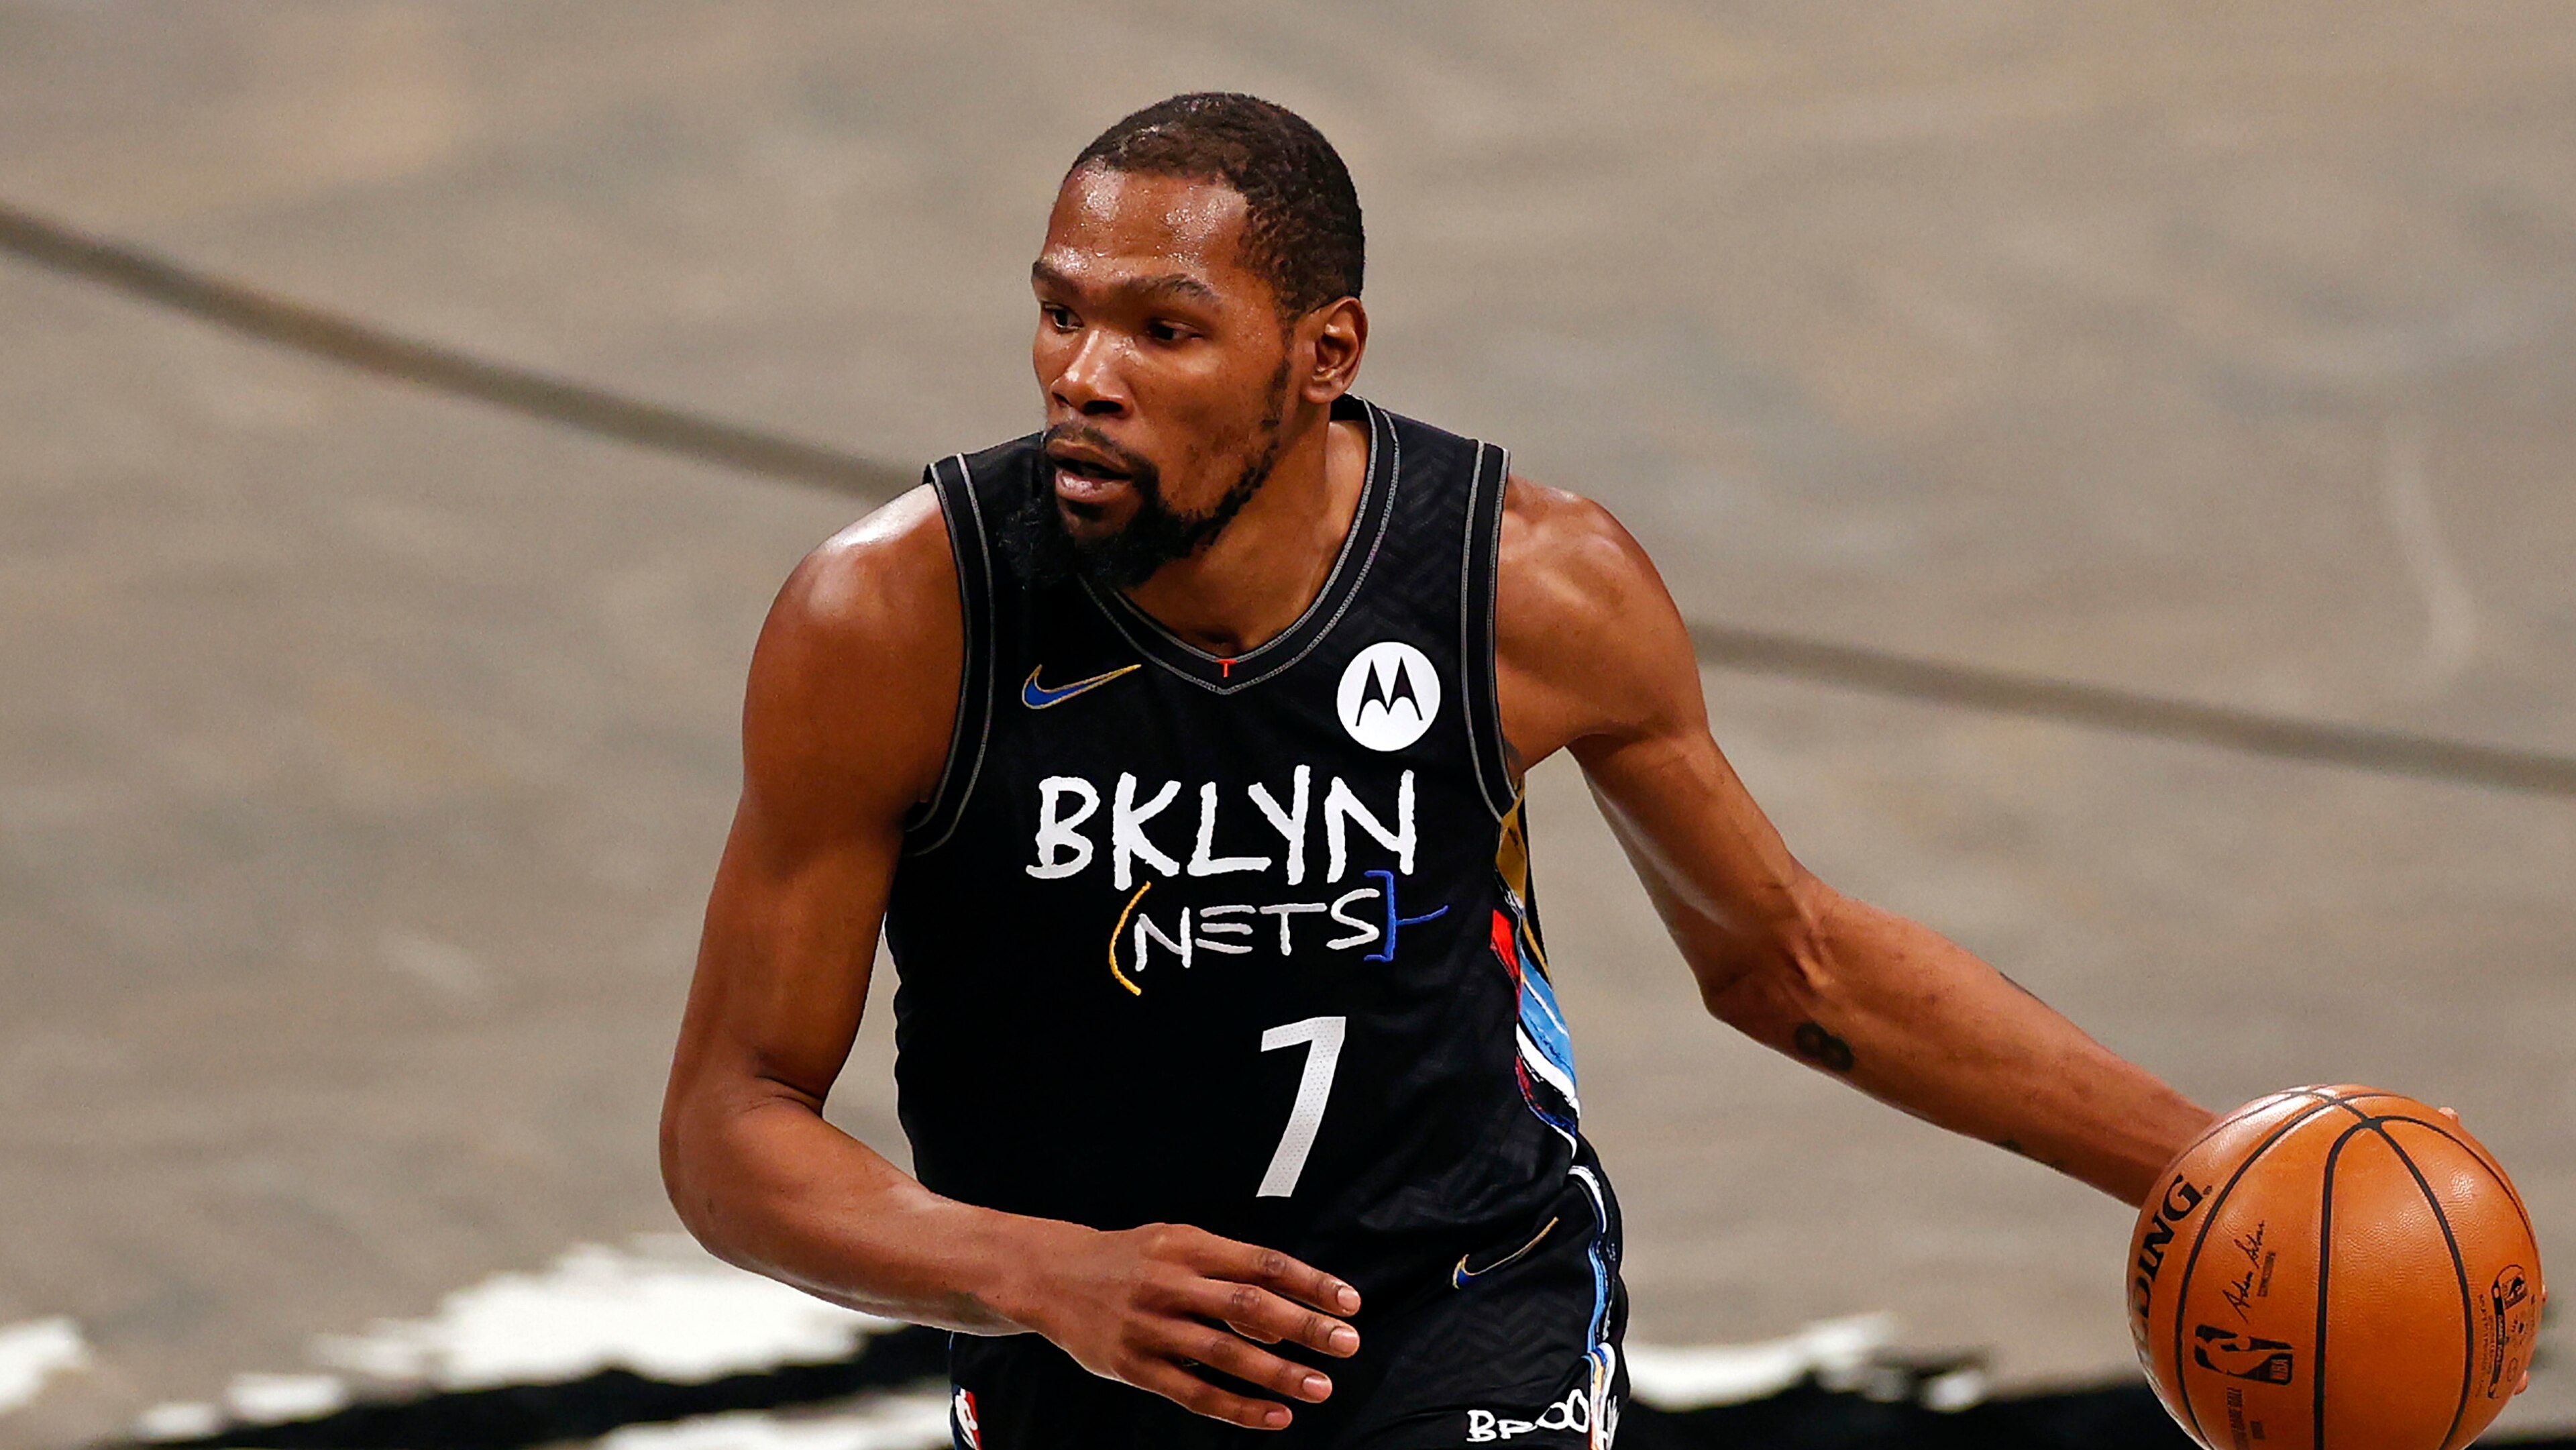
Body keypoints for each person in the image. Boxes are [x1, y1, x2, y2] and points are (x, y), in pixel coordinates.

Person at [659, 92, 2215, 1449]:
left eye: (1164, 327)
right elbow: (731, 1121)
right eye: (1062, 311)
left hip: (1462, 1306)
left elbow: (1785, 957)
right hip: (1081, 1351)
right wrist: (1039, 1273)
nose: (1084, 373)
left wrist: (2210, 1167)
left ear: (1323, 353)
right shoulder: (889, 619)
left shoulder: (1527, 587)